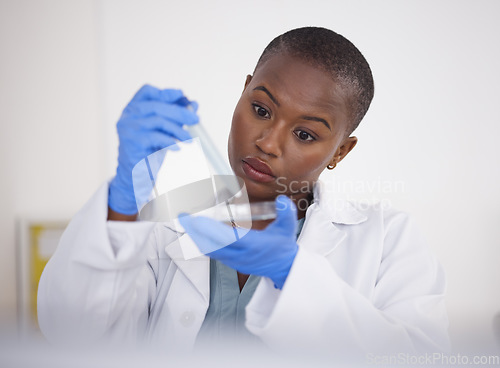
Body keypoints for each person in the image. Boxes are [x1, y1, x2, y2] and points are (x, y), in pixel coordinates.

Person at [37, 27, 450, 357]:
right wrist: (121, 205)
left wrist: (293, 275)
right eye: (261, 109)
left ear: (340, 151)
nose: (268, 143)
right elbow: (73, 337)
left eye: (305, 133)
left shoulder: (386, 240)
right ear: (244, 90)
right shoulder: (162, 216)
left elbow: (420, 358)